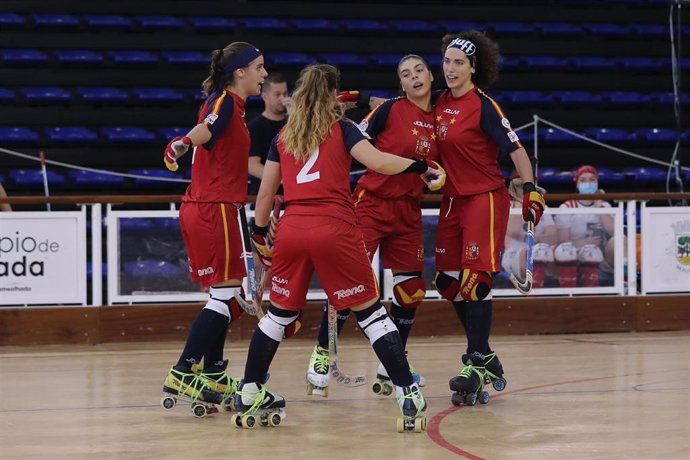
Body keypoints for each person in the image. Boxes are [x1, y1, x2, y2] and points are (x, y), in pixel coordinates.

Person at [232, 64, 445, 430]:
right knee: (372, 313)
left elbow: (265, 194)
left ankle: (249, 391)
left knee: (278, 316)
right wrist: (420, 166)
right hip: (335, 226)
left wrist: (260, 237)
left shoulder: (282, 136)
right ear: (334, 96)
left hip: (294, 230)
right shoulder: (343, 129)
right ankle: (407, 391)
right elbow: (378, 162)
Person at [305, 55, 438, 396]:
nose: (414, 78)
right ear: (402, 84)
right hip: (371, 204)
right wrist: (361, 97)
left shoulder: (441, 117)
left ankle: (392, 366)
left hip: (409, 209)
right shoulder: (390, 110)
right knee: (350, 286)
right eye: (406, 74)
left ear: (430, 74)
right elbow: (347, 140)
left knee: (411, 292)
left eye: (419, 70)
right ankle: (322, 354)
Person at [432, 31, 545, 404]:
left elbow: (516, 151)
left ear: (473, 68)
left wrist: (529, 188)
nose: (450, 69)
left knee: (475, 282)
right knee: (447, 283)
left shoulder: (484, 106)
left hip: (484, 199)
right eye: (447, 61)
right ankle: (487, 354)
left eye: (458, 63)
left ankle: (476, 360)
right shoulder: (437, 102)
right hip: (450, 202)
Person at [160, 42, 268, 414]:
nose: (264, 74)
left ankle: (214, 373)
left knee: (223, 298)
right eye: (259, 67)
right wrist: (183, 142)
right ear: (240, 72)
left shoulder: (233, 107)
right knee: (224, 298)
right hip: (215, 209)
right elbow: (206, 130)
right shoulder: (223, 102)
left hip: (216, 208)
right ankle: (183, 370)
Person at [554, 165, 615, 287]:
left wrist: (599, 207)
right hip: (574, 253)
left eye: (592, 180)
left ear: (597, 183)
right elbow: (562, 241)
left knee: (617, 241)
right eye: (583, 180)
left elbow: (614, 232)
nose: (588, 183)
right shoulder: (567, 207)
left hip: (602, 255)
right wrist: (583, 243)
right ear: (577, 184)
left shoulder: (605, 206)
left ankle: (625, 283)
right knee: (580, 251)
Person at [501, 174, 558, 289]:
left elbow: (553, 237)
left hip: (540, 249)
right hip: (513, 252)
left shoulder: (542, 206)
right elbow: (513, 232)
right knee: (534, 252)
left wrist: (535, 240)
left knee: (562, 251)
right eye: (519, 186)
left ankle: (570, 295)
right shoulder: (506, 205)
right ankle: (533, 293)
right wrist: (519, 203)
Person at [247, 73, 290, 196]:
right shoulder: (255, 126)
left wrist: (294, 117)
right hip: (264, 194)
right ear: (265, 96)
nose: (283, 98)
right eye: (277, 95)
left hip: (291, 194)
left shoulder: (292, 123)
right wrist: (283, 180)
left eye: (285, 94)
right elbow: (252, 165)